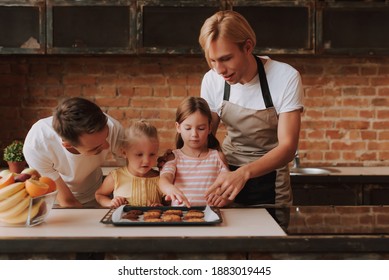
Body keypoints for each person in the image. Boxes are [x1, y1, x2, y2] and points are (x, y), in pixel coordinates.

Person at [198, 10, 303, 206]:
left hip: (271, 182)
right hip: (225, 179)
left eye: (226, 59)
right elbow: (204, 138)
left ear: (247, 47)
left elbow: (288, 147)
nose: (219, 70)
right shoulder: (212, 79)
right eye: (213, 61)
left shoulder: (285, 77)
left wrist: (243, 173)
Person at [23, 97, 124, 208]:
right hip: (56, 201)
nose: (107, 146)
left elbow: (134, 170)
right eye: (95, 148)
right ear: (68, 144)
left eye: (106, 137)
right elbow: (67, 201)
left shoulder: (112, 126)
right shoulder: (37, 146)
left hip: (96, 193)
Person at [159, 96, 230, 207]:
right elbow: (164, 179)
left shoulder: (218, 157)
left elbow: (229, 190)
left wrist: (225, 200)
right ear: (178, 127)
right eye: (188, 128)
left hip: (211, 219)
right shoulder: (174, 157)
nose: (194, 134)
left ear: (209, 128)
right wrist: (169, 188)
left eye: (201, 128)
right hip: (181, 220)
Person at [95, 120, 162, 208]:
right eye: (139, 154)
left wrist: (161, 206)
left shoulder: (160, 179)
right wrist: (110, 202)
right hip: (122, 221)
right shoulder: (115, 177)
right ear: (124, 152)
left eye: (152, 154)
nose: (146, 160)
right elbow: (99, 195)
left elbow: (170, 203)